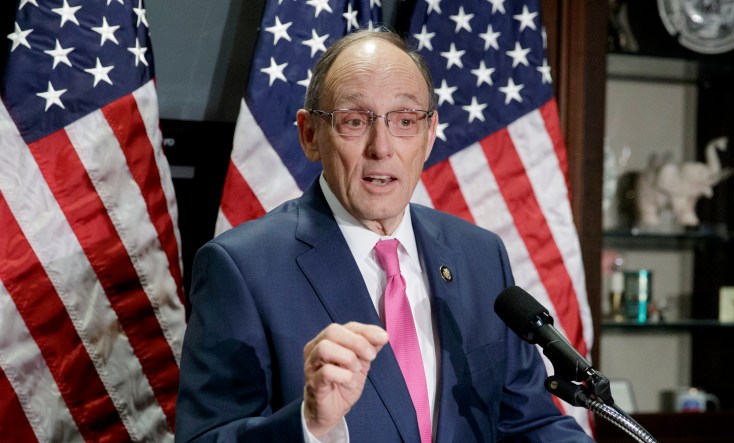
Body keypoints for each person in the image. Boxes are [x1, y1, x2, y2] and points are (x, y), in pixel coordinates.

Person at [176, 29, 595, 443]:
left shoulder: (480, 256)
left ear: (430, 134)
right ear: (309, 136)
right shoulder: (241, 268)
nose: (382, 147)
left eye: (405, 121)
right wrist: (309, 425)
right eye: (354, 121)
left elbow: (527, 424)